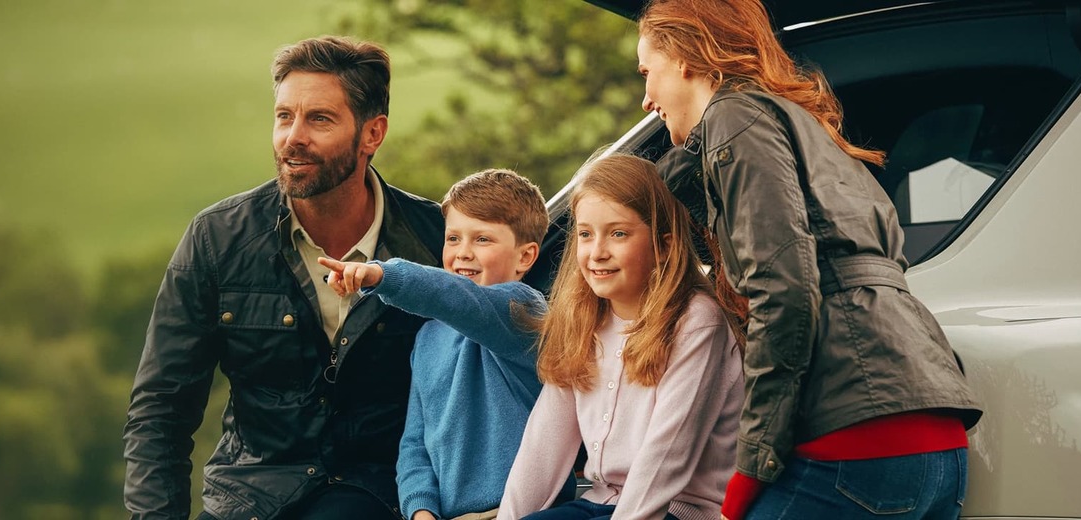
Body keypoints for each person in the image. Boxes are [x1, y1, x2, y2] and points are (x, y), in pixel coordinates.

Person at [634, 1, 985, 518]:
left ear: (685, 57)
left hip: (852, 446)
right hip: (936, 442)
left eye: (647, 73)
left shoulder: (735, 116)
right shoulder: (806, 128)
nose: (646, 99)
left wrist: (752, 464)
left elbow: (785, 292)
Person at [122, 35, 448, 520]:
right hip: (249, 496)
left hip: (385, 495)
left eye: (319, 119)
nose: (293, 137)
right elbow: (160, 411)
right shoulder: (217, 239)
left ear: (372, 134)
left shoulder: (435, 240)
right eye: (283, 116)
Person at [497, 155, 747, 520]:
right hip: (601, 503)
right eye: (585, 234)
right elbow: (543, 443)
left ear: (662, 245)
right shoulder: (585, 320)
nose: (597, 252)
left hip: (676, 509)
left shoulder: (695, 321)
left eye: (618, 233)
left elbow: (666, 455)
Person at [319, 168, 553, 520]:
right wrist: (421, 510)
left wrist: (382, 275)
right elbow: (415, 444)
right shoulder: (429, 337)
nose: (463, 253)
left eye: (483, 240)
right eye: (454, 238)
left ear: (525, 257)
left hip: (521, 512)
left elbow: (456, 299)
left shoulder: (524, 311)